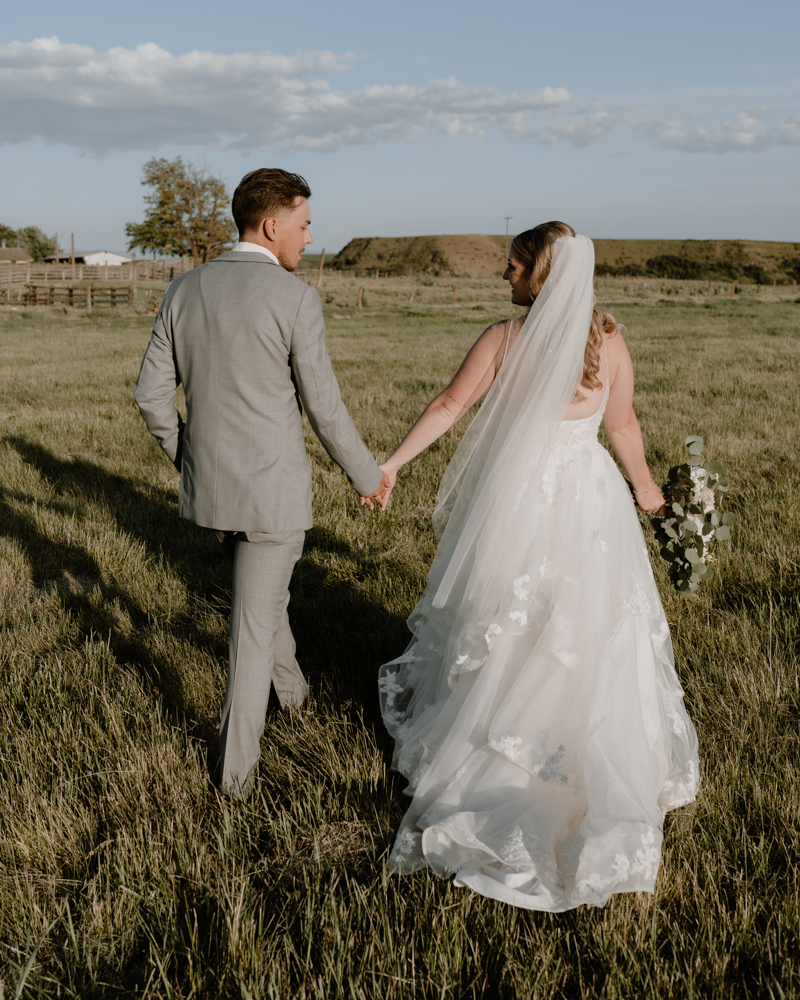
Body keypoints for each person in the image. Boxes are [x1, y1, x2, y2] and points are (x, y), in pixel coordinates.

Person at [375, 223, 699, 911]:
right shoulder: (607, 340)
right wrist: (648, 494)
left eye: (514, 266)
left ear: (538, 275)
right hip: (588, 498)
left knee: (510, 619)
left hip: (517, 500)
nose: (505, 276)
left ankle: (501, 747)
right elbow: (624, 426)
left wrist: (393, 464)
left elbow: (449, 406)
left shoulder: (505, 338)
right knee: (586, 624)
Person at [134, 168, 390, 797]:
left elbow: (151, 398)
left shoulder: (183, 290)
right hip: (272, 497)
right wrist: (367, 475)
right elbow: (324, 408)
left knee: (259, 603)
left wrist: (189, 460)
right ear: (273, 225)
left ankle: (296, 696)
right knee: (250, 630)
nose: (309, 236)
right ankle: (234, 781)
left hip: (212, 494)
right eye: (304, 224)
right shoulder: (295, 298)